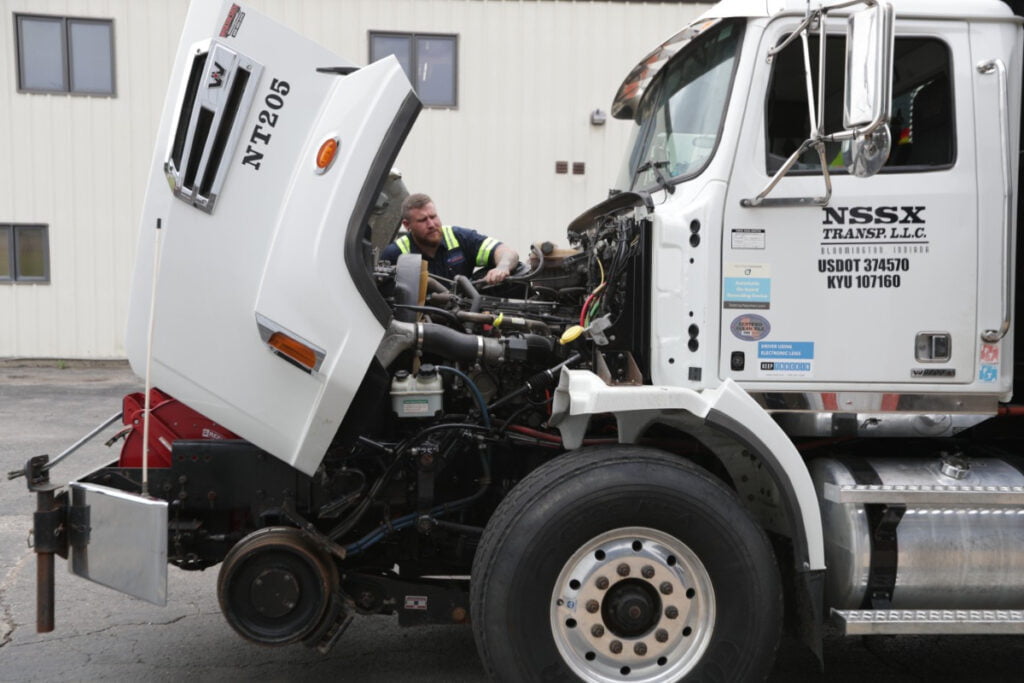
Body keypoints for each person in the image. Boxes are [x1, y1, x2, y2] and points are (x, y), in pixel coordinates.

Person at [381, 193, 519, 285]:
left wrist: (502, 267)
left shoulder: (459, 237)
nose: (431, 224)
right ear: (407, 225)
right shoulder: (395, 254)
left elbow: (506, 251)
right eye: (422, 220)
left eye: (433, 216)